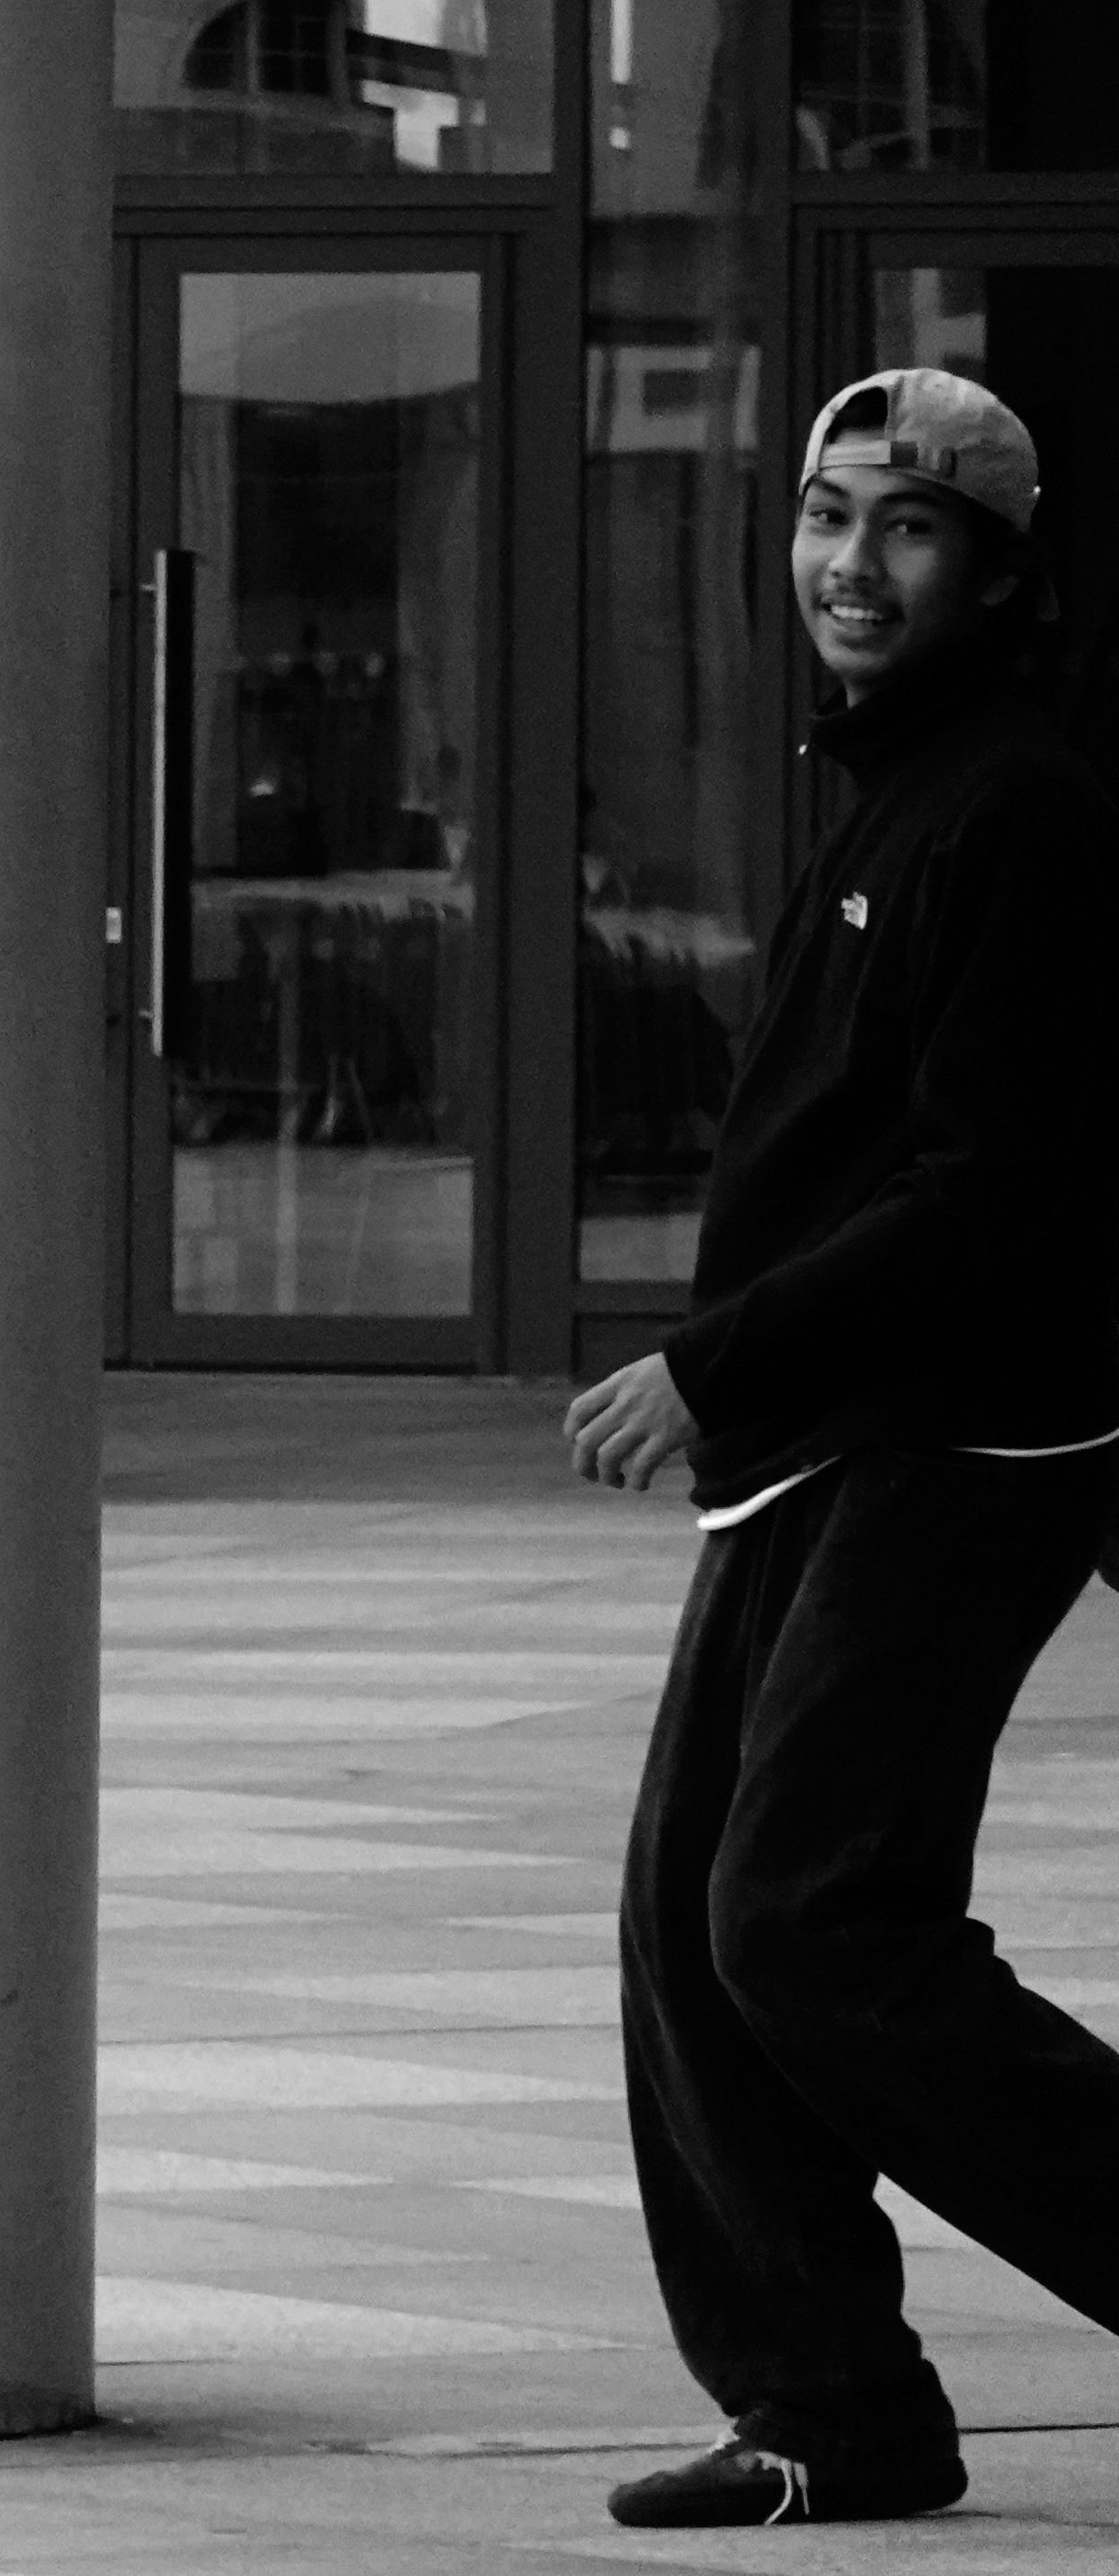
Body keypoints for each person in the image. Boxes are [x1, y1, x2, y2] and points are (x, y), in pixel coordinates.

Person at [564, 366, 1119, 2530]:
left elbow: (985, 1188)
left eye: (906, 528)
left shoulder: (1022, 813)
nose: (850, 564)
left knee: (807, 1916)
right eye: (825, 516)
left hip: (960, 1440)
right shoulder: (894, 797)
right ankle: (833, 2404)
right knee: (696, 1927)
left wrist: (717, 1352)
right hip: (827, 1440)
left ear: (993, 567)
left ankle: (840, 2383)